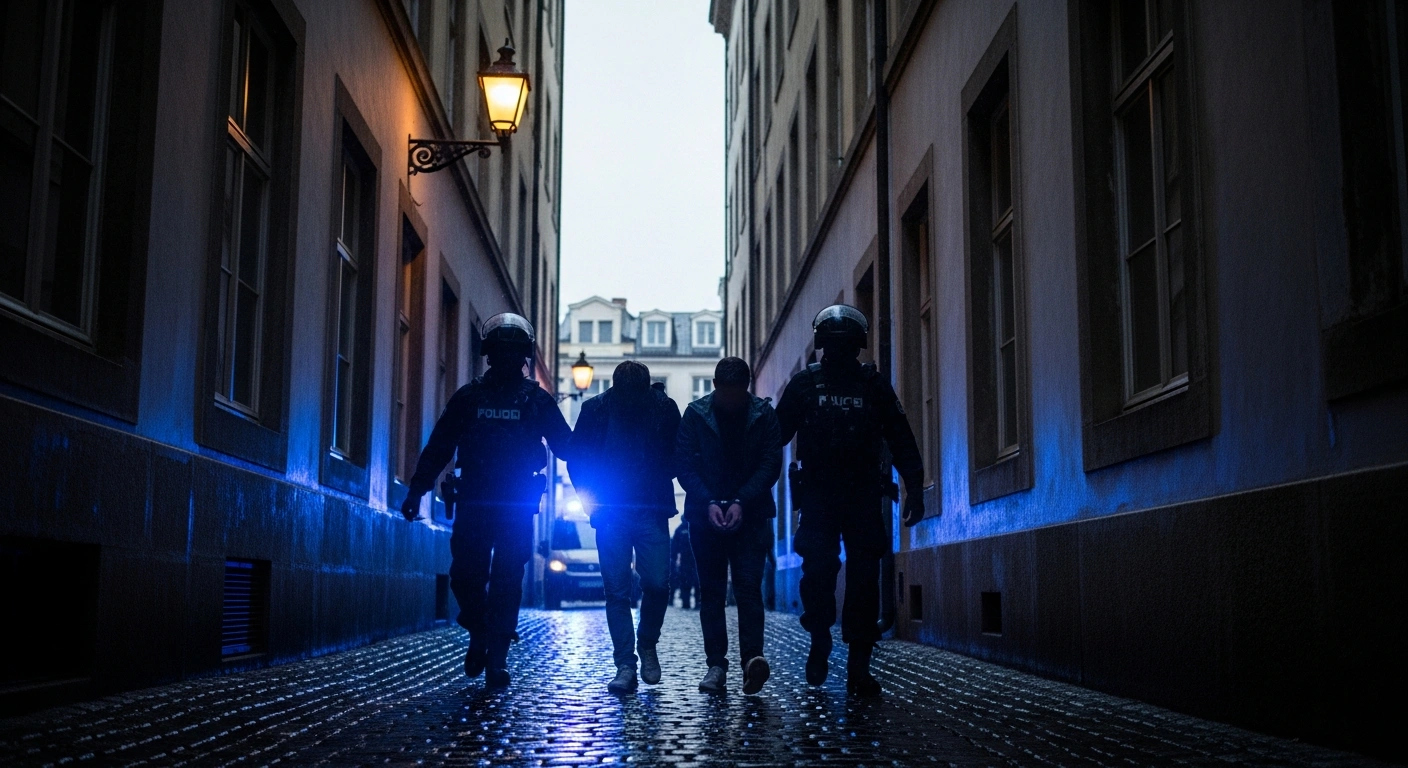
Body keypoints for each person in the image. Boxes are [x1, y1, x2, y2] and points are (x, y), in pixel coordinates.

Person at [400, 313, 572, 688]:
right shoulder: (470, 397)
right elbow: (440, 446)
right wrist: (417, 489)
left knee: (507, 580)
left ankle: (497, 659)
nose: (507, 360)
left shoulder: (537, 401)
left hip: (515, 505)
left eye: (513, 353)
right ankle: (479, 631)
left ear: (523, 357)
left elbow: (566, 446)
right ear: (490, 355)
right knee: (465, 577)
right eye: (501, 352)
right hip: (476, 501)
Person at [775, 305, 928, 696]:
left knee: (863, 581)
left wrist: (914, 485)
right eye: (835, 345)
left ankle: (858, 665)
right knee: (818, 573)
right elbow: (775, 435)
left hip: (861, 495)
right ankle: (820, 637)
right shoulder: (804, 385)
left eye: (845, 346)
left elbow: (900, 437)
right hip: (820, 496)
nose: (840, 353)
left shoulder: (873, 386)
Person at [567, 361, 681, 694]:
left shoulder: (663, 408)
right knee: (617, 591)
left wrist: (659, 475)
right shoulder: (596, 409)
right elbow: (577, 460)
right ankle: (625, 665)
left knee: (656, 585)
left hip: (649, 510)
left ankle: (646, 643)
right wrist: (590, 501)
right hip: (612, 513)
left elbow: (679, 453)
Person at [675, 357, 782, 694]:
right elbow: (683, 465)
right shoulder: (696, 415)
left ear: (746, 388)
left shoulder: (764, 415)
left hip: (751, 517)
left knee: (748, 588)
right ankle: (716, 665)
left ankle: (752, 660)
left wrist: (740, 501)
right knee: (712, 592)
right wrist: (709, 501)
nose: (732, 401)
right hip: (704, 518)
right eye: (726, 394)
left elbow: (771, 465)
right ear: (715, 387)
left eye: (737, 394)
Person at [670, 522, 699, 609]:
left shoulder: (682, 529)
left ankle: (697, 602)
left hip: (697, 559)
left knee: (697, 582)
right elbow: (674, 546)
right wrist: (674, 559)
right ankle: (686, 603)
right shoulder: (680, 529)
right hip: (686, 560)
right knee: (686, 581)